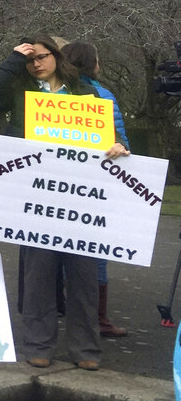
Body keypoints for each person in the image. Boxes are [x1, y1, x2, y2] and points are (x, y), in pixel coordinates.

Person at [0, 34, 104, 370]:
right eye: (29, 59)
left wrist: (117, 146)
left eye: (40, 56)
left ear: (57, 56)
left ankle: (86, 350)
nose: (35, 63)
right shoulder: (21, 94)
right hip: (35, 194)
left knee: (83, 277)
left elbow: (103, 136)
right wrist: (13, 57)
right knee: (38, 274)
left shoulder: (85, 92)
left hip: (79, 198)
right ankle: (38, 344)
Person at [60, 41, 131, 338]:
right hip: (93, 183)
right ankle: (97, 318)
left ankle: (62, 307)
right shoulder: (103, 95)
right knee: (95, 250)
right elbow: (121, 140)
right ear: (93, 63)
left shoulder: (54, 94)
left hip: (60, 180)